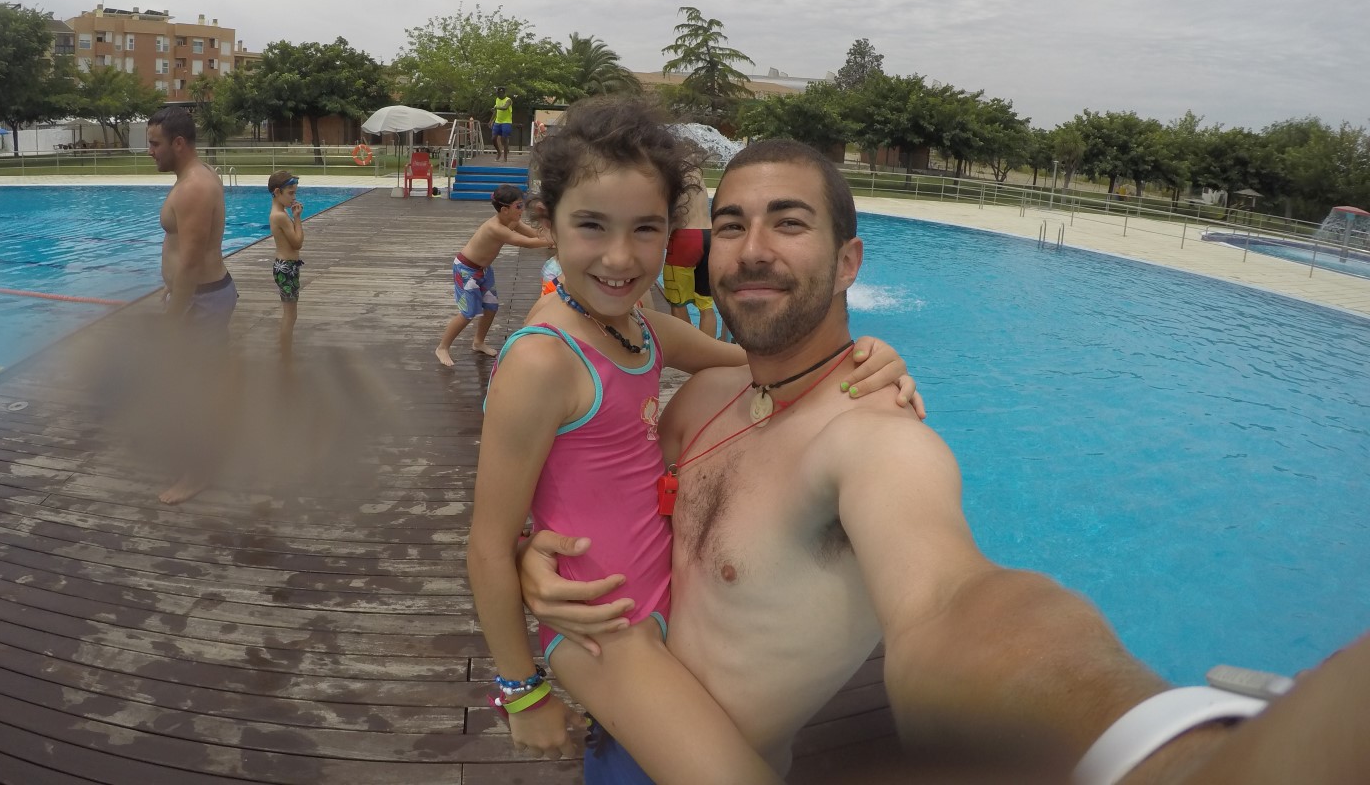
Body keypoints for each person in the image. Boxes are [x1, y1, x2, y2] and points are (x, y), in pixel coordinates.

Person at [518, 137, 1370, 784]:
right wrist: (537, 559)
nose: (753, 249)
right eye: (732, 225)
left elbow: (953, 602)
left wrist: (1150, 743)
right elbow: (606, 500)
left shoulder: (875, 439)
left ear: (848, 261)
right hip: (616, 734)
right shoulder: (704, 397)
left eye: (790, 222)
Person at [467, 102, 925, 785]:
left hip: (659, 604)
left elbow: (765, 362)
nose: (620, 257)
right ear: (547, 225)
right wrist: (521, 692)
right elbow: (485, 542)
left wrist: (868, 357)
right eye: (591, 225)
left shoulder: (639, 329)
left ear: (671, 233)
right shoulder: (543, 359)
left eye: (645, 228)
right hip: (604, 627)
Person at [146, 105, 237, 504]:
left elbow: (192, 260)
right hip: (198, 297)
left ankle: (199, 473)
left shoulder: (194, 187)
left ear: (178, 143)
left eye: (155, 143)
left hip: (201, 303)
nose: (150, 151)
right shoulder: (193, 177)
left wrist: (173, 315)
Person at [434, 184, 550, 366]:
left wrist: (550, 236)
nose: (522, 210)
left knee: (491, 307)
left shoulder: (512, 221)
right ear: (505, 210)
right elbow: (526, 243)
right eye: (519, 206)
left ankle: (478, 342)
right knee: (468, 312)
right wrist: (551, 240)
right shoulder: (494, 227)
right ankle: (442, 347)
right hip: (466, 270)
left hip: (483, 270)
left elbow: (533, 235)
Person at [660, 162, 719, 338]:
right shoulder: (696, 172)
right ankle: (708, 349)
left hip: (685, 237)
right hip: (708, 235)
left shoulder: (673, 171)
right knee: (706, 305)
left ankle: (688, 346)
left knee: (677, 303)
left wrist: (665, 236)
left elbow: (673, 212)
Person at [267, 171, 305, 361]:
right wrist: (297, 218)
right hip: (286, 268)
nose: (293, 197)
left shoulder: (279, 214)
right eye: (290, 193)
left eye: (295, 192)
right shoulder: (280, 216)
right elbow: (297, 243)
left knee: (290, 314)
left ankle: (285, 352)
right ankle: (286, 356)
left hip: (287, 266)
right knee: (290, 316)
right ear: (277, 192)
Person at [492, 85, 513, 161]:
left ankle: (505, 157)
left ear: (503, 93)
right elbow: (495, 112)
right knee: (493, 138)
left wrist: (496, 107)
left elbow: (505, 107)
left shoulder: (508, 100)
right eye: (497, 93)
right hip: (498, 121)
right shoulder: (497, 99)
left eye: (498, 93)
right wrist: (491, 121)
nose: (497, 95)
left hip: (506, 122)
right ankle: (499, 152)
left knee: (504, 139)